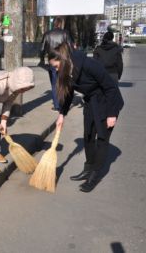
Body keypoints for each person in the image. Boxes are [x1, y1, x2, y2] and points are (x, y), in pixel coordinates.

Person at [49, 43, 124, 192]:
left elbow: (111, 88)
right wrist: (62, 114)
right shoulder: (67, 70)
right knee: (88, 136)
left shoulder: (90, 65)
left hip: (107, 102)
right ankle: (88, 169)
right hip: (91, 102)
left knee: (102, 139)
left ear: (63, 60)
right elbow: (69, 93)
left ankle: (95, 176)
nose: (55, 70)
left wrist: (112, 114)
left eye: (56, 66)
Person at [39, 17, 75, 111]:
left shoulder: (47, 34)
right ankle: (63, 103)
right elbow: (71, 47)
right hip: (63, 61)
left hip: (52, 62)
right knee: (64, 81)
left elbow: (42, 49)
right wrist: (73, 59)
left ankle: (56, 105)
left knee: (54, 83)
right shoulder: (65, 33)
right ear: (60, 24)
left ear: (54, 23)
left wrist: (42, 60)